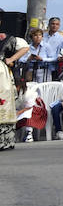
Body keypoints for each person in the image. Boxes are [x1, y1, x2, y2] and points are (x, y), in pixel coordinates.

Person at [0, 11, 30, 151]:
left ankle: (4, 140)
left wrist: (11, 59)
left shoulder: (5, 38)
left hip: (1, 74)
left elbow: (25, 47)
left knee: (3, 105)